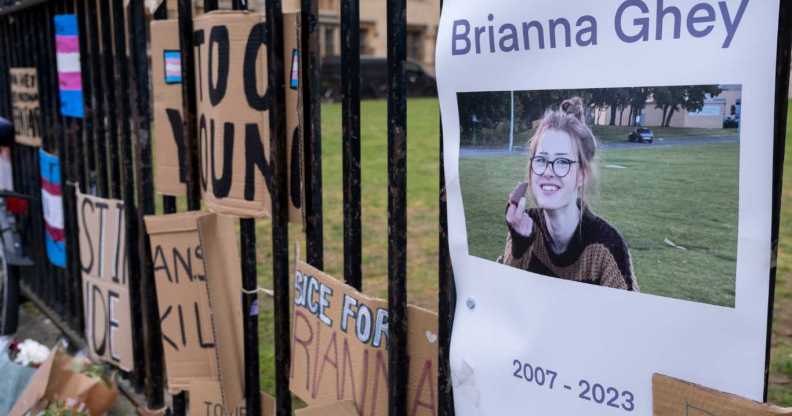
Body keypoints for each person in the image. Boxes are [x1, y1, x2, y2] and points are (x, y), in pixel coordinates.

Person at [500, 97, 639, 291]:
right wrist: (520, 242)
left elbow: (629, 317)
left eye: (562, 162)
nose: (548, 171)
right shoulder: (525, 225)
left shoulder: (607, 247)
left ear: (581, 175)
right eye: (541, 160)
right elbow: (505, 297)